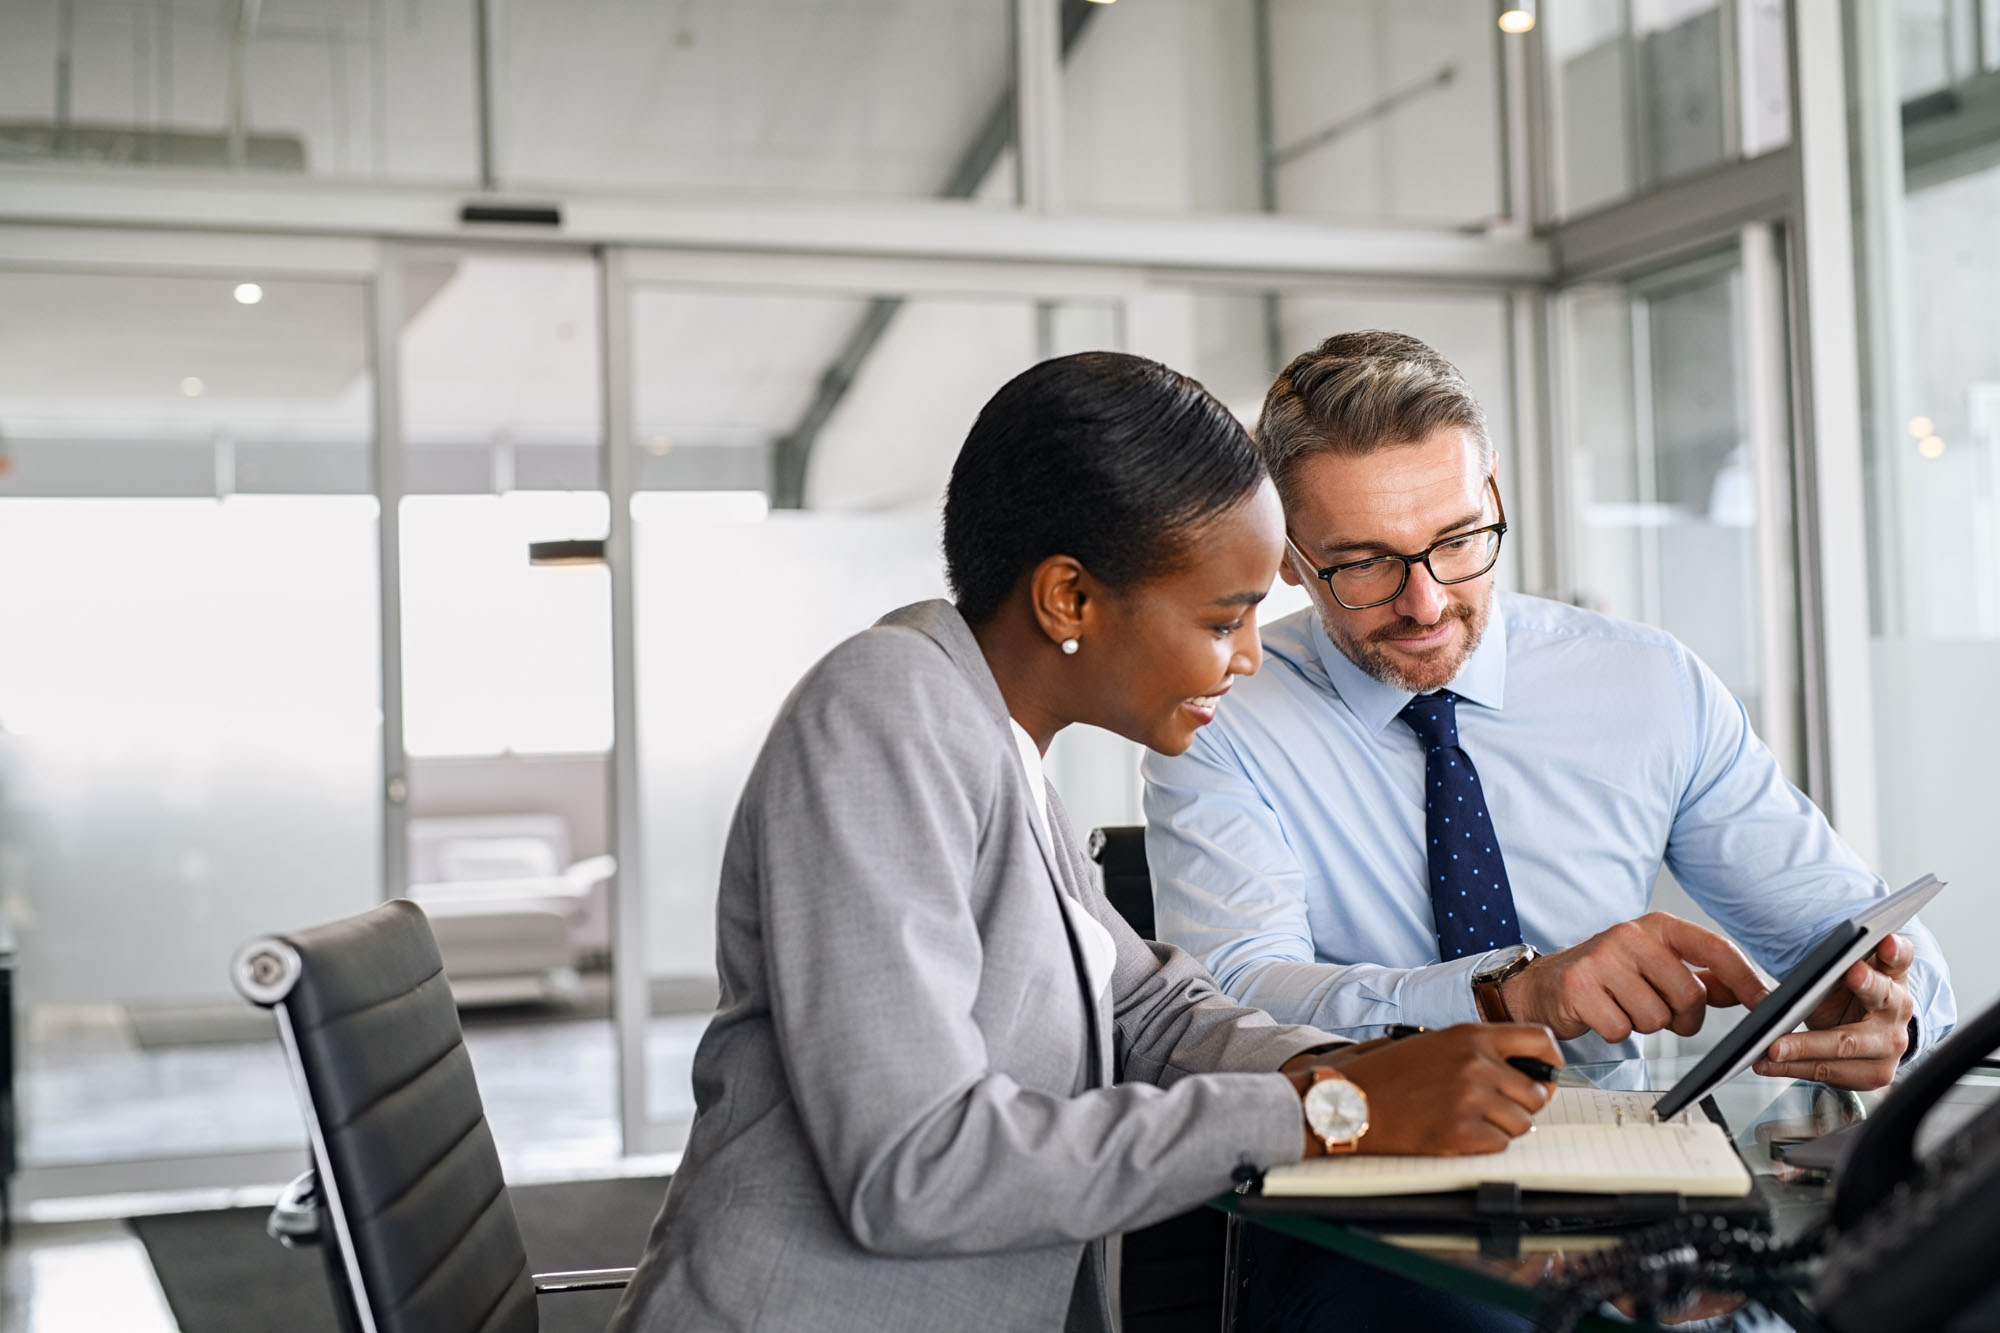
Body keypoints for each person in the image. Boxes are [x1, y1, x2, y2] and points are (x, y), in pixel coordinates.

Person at [607, 351, 1562, 1333]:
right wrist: (1329, 1111)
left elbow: (1148, 1007)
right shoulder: (887, 710)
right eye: (1221, 617)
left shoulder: (994, 737)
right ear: (1067, 598)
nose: (1244, 655)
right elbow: (915, 1166)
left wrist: (1355, 1070)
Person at [1143, 330, 1955, 1086]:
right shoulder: (1222, 713)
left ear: (1493, 488)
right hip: (1357, 1187)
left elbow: (1854, 928)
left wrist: (1892, 1012)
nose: (1426, 604)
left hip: (1637, 1178)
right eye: (1363, 564)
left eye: (1459, 540)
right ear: (1287, 554)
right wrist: (1508, 996)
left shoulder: (1646, 684)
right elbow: (1233, 1005)